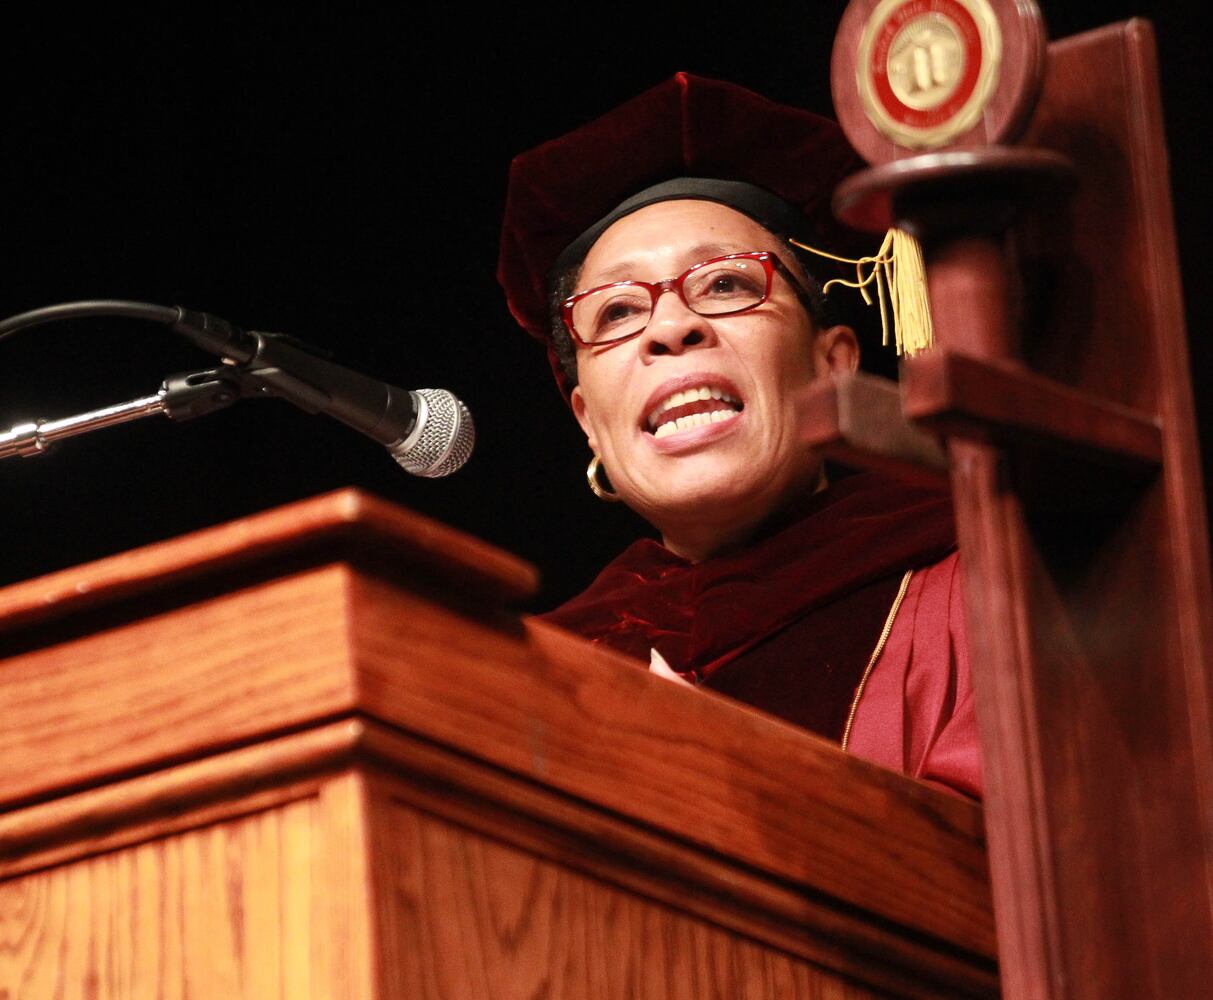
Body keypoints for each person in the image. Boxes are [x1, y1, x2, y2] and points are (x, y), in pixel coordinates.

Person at [498, 73, 981, 798]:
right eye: (617, 311)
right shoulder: (528, 677)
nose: (669, 327)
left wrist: (731, 781)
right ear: (588, 424)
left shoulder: (981, 589)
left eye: (725, 284)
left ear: (834, 366)